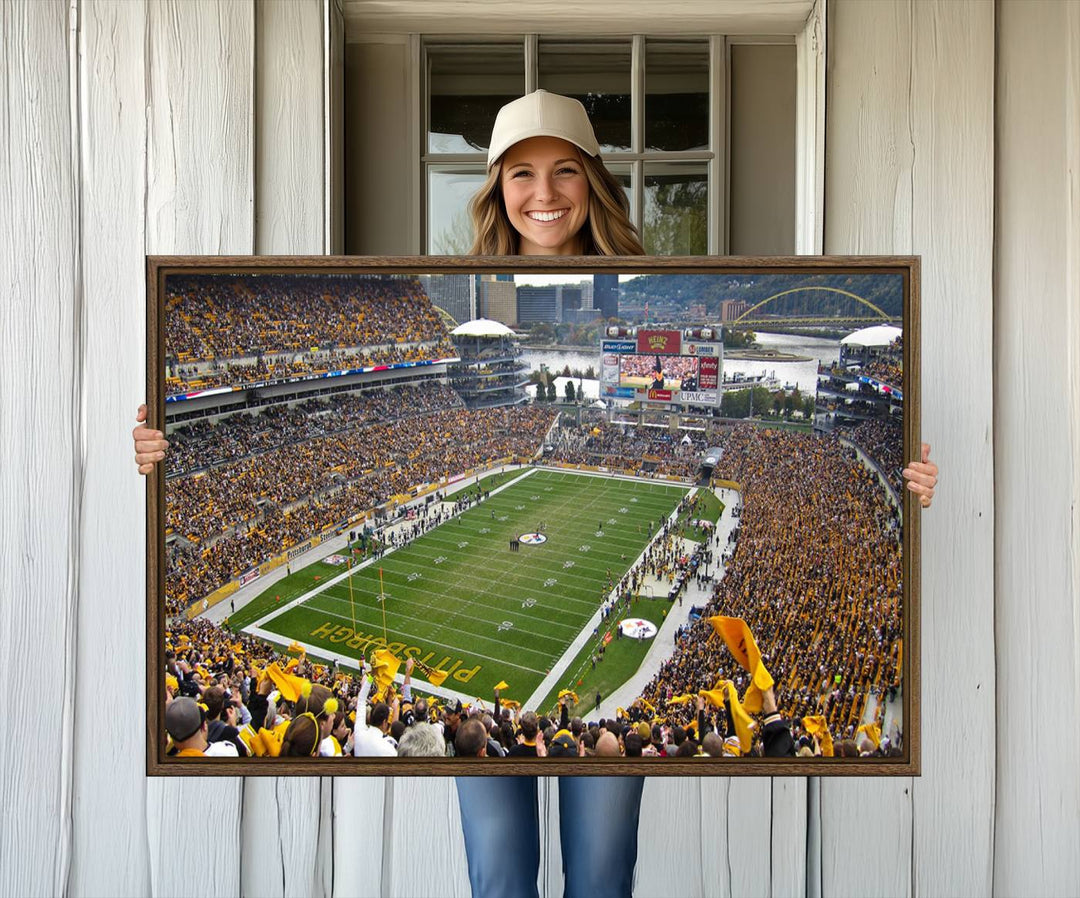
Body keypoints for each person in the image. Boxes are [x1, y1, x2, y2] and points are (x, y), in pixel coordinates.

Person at [132, 88, 939, 898]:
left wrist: (908, 472)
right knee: (500, 876)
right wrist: (159, 443)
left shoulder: (662, 278)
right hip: (490, 740)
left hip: (591, 748)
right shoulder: (446, 277)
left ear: (594, 180)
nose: (544, 194)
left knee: (598, 877)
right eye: (521, 173)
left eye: (564, 172)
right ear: (495, 188)